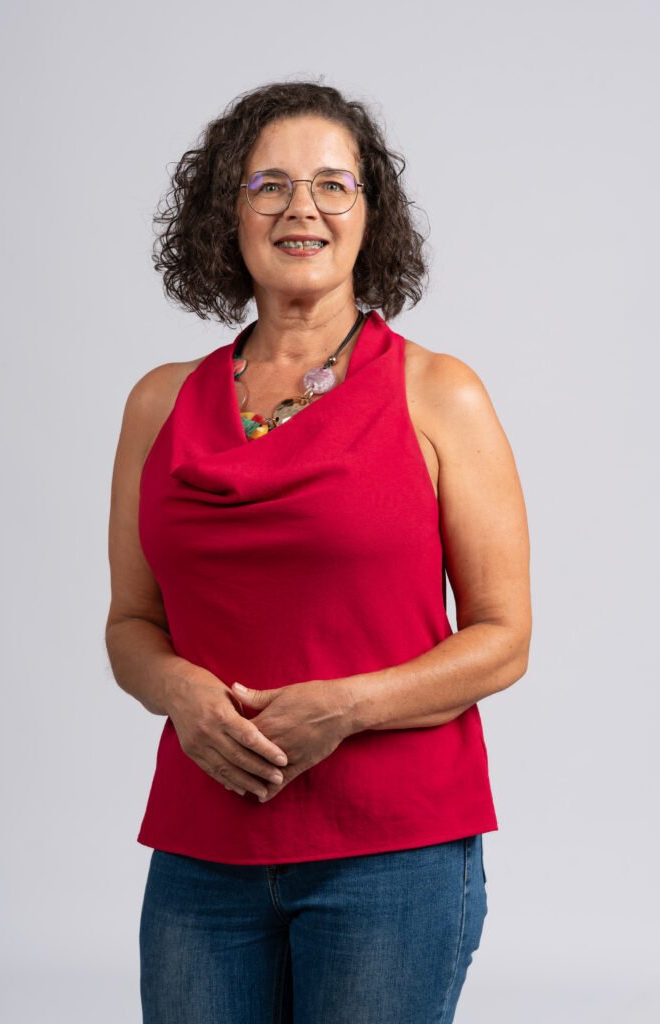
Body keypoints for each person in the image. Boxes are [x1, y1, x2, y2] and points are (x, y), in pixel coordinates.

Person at [105, 79, 532, 1024]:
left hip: (392, 853)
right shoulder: (158, 404)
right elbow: (131, 623)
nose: (301, 207)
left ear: (369, 216)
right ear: (227, 214)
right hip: (201, 852)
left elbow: (504, 638)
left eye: (333, 184)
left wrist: (347, 706)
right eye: (269, 185)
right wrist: (178, 690)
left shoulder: (439, 393)